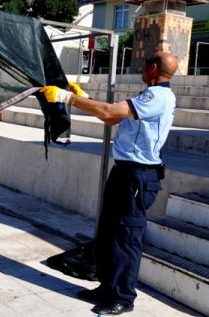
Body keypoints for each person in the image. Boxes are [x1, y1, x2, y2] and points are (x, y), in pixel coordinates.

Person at [40, 51, 178, 316]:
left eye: (146, 62)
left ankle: (124, 298)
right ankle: (107, 287)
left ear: (153, 68)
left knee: (127, 238)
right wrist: (85, 98)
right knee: (109, 233)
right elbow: (111, 118)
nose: (142, 65)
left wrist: (68, 97)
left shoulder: (157, 96)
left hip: (138, 176)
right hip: (125, 172)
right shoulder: (148, 95)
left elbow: (109, 110)